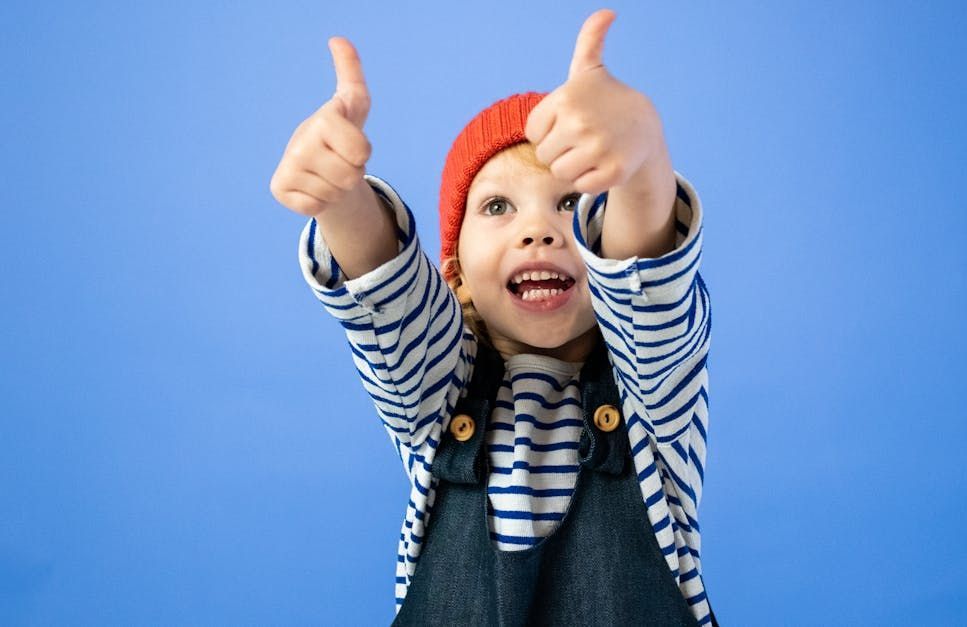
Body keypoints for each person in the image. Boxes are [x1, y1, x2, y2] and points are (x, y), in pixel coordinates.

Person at [270, 9, 715, 625]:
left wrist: (641, 162)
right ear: (453, 271)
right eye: (499, 206)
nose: (538, 230)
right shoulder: (434, 395)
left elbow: (647, 287)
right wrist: (342, 200)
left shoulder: (654, 400)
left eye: (570, 202)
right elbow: (388, 303)